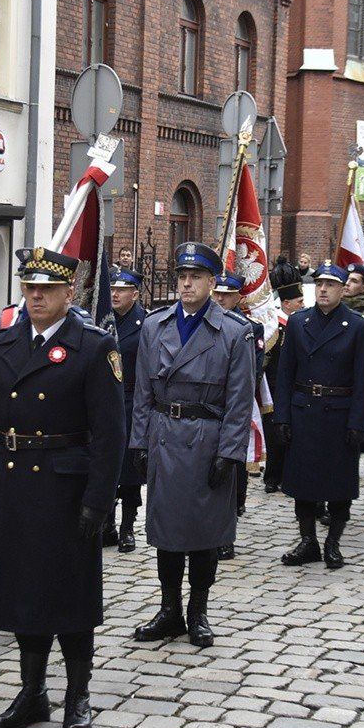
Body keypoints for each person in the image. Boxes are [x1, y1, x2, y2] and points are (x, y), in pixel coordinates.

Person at [0, 246, 124, 728]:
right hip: (14, 485)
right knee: (23, 594)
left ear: (69, 293)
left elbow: (110, 434)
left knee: (70, 597)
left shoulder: (92, 347)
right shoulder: (4, 344)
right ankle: (32, 693)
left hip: (66, 488)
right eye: (30, 288)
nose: (36, 297)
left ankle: (77, 696)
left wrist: (99, 499)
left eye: (47, 290)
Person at [131, 242, 254, 649]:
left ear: (212, 282)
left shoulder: (234, 332)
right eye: (181, 276)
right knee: (166, 531)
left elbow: (240, 399)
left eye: (195, 277)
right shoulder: (155, 325)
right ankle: (169, 610)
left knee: (204, 533)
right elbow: (142, 390)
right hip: (165, 435)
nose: (186, 284)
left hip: (207, 440)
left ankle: (197, 611)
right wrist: (139, 441)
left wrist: (230, 453)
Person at [272, 263, 364, 568]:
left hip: (338, 414)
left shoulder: (357, 325)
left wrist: (358, 421)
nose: (324, 290)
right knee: (303, 482)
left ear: (343, 289)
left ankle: (332, 543)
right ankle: (308, 541)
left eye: (330, 285)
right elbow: (285, 374)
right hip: (304, 412)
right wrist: (282, 417)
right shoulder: (299, 322)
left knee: (338, 483)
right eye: (319, 284)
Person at [212, 272, 256, 559]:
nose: (220, 299)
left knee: (232, 471)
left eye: (226, 295)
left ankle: (227, 531)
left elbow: (251, 373)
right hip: (209, 408)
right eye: (217, 293)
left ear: (238, 297)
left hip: (236, 407)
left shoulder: (248, 329)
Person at [108, 266, 148, 552]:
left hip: (133, 402)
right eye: (112, 289)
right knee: (106, 464)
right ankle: (106, 523)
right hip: (105, 402)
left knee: (130, 469)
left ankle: (127, 526)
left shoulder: (145, 323)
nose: (114, 294)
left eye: (121, 290)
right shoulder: (102, 320)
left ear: (134, 294)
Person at [263, 257, 305, 495]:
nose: (303, 304)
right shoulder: (274, 326)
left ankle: (290, 475)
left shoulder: (302, 324)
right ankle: (272, 477)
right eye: (300, 301)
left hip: (296, 386)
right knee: (275, 434)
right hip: (274, 387)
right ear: (286, 303)